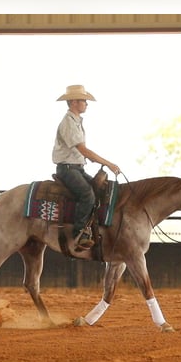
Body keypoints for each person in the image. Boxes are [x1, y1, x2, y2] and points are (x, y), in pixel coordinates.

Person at [52, 84, 121, 250]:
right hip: (67, 169)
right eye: (84, 100)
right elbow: (83, 150)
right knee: (87, 195)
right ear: (74, 102)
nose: (86, 103)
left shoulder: (75, 122)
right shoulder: (68, 122)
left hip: (76, 168)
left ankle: (93, 228)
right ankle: (79, 233)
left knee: (101, 189)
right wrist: (108, 164)